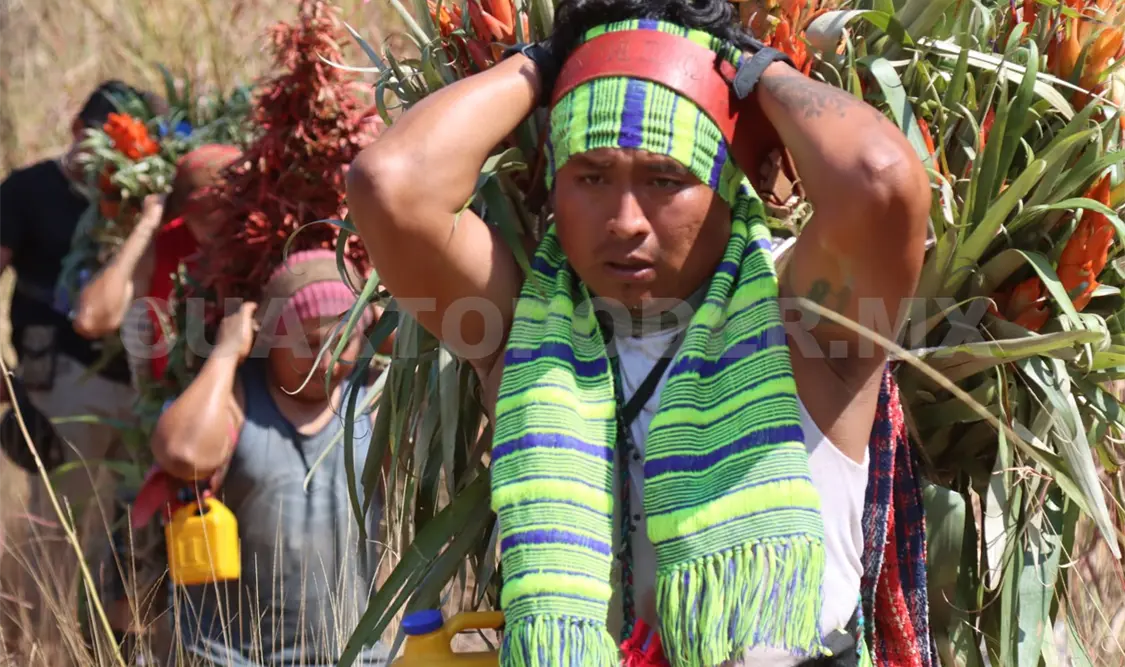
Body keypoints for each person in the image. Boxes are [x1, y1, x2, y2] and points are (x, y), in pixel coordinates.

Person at [346, 1, 933, 666]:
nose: (624, 220)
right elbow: (388, 184)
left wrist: (751, 68)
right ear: (551, 183)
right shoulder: (526, 335)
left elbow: (880, 181)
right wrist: (546, 63)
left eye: (665, 179)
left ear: (727, 182)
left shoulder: (801, 321)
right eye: (591, 177)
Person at [148, 249, 388, 666]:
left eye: (341, 342)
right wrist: (225, 352)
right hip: (232, 657)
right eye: (307, 343)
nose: (325, 361)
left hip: (356, 657)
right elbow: (182, 453)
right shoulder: (235, 396)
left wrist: (396, 334)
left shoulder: (375, 398)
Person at [0, 79, 166, 651]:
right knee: (63, 535)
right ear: (78, 130)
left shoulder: (136, 195)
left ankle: (112, 649)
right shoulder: (29, 191)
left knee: (137, 538)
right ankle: (44, 647)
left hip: (141, 386)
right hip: (65, 386)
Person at [74, 143, 244, 386]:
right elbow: (91, 319)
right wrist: (146, 226)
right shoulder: (165, 243)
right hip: (177, 398)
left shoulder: (263, 242)